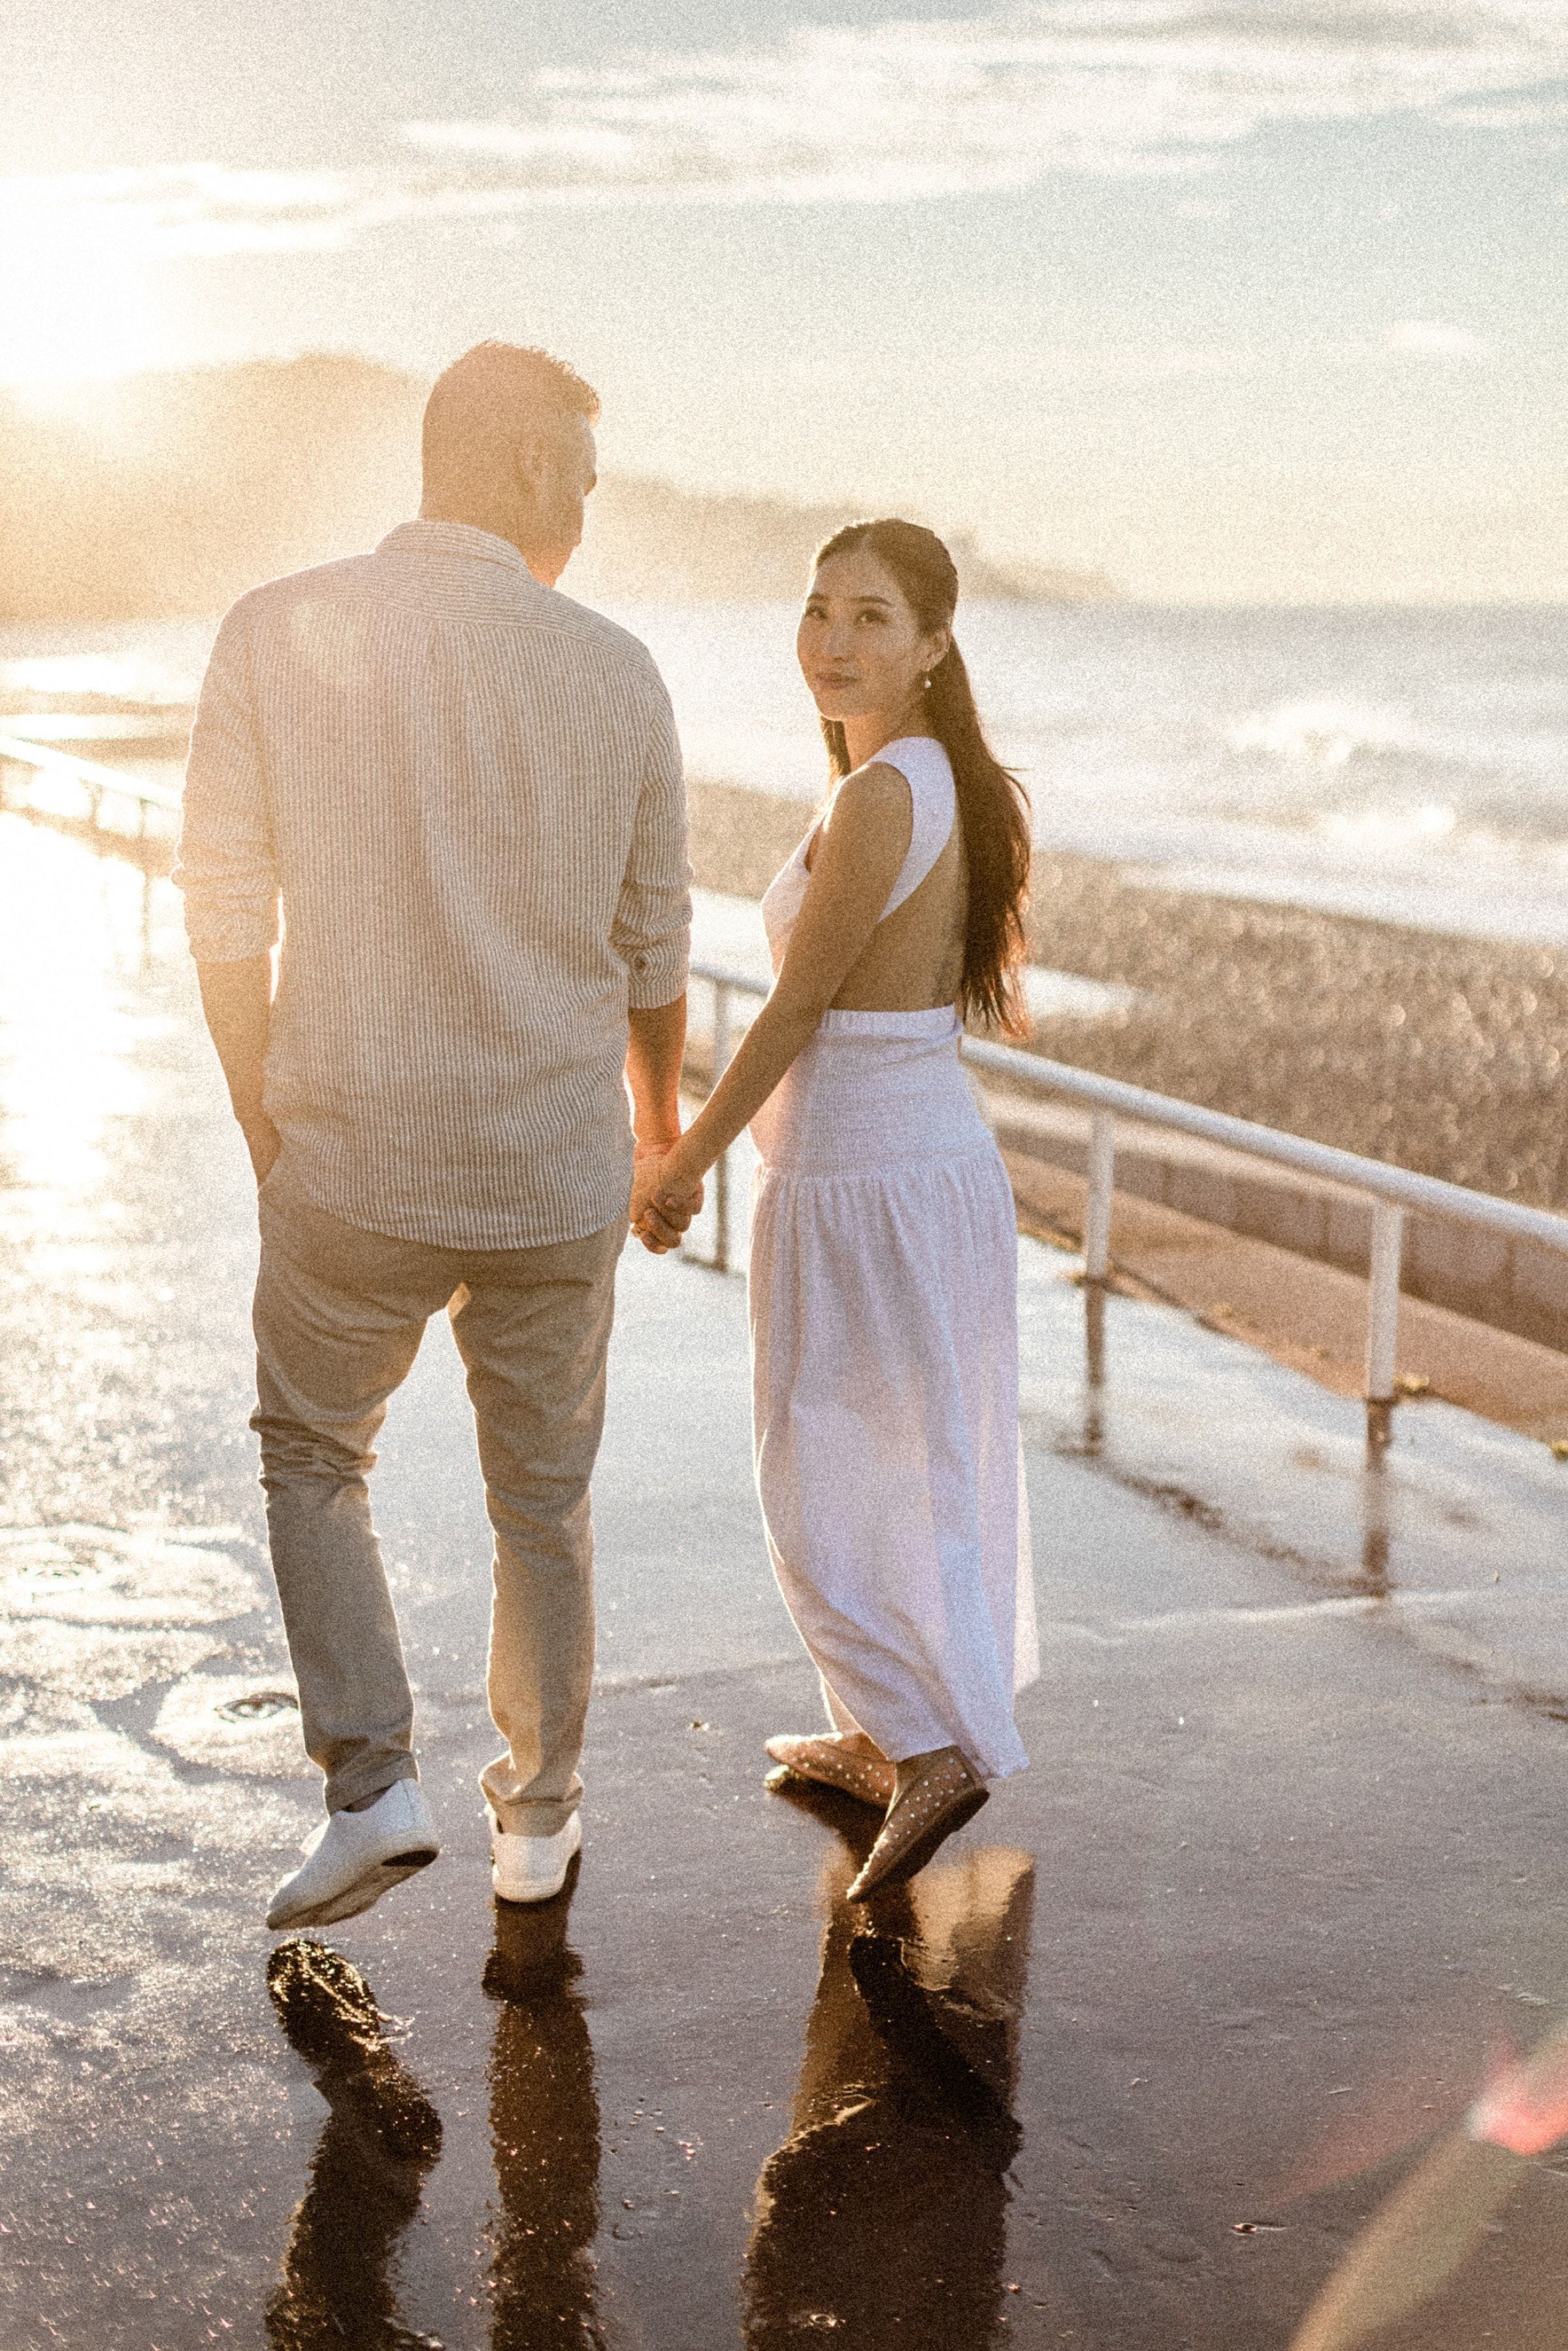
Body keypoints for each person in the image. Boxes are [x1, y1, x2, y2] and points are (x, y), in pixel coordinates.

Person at [176, 341, 698, 1932]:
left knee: (313, 1455)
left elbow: (222, 915)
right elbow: (657, 951)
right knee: (542, 1501)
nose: (591, 517)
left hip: (352, 1155)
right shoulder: (619, 672)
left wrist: (265, 1120)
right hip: (550, 1176)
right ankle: (537, 1824)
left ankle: (371, 1783)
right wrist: (654, 1140)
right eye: (588, 483)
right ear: (532, 467)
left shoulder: (274, 631)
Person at [642, 518, 1037, 1900]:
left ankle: (926, 1744)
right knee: (885, 1459)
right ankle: (885, 1733)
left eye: (872, 616)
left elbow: (803, 1005)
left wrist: (685, 1152)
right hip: (898, 1157)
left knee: (815, 1472)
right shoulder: (920, 777)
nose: (835, 640)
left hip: (867, 1166)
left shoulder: (885, 796)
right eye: (818, 610)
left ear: (935, 644)